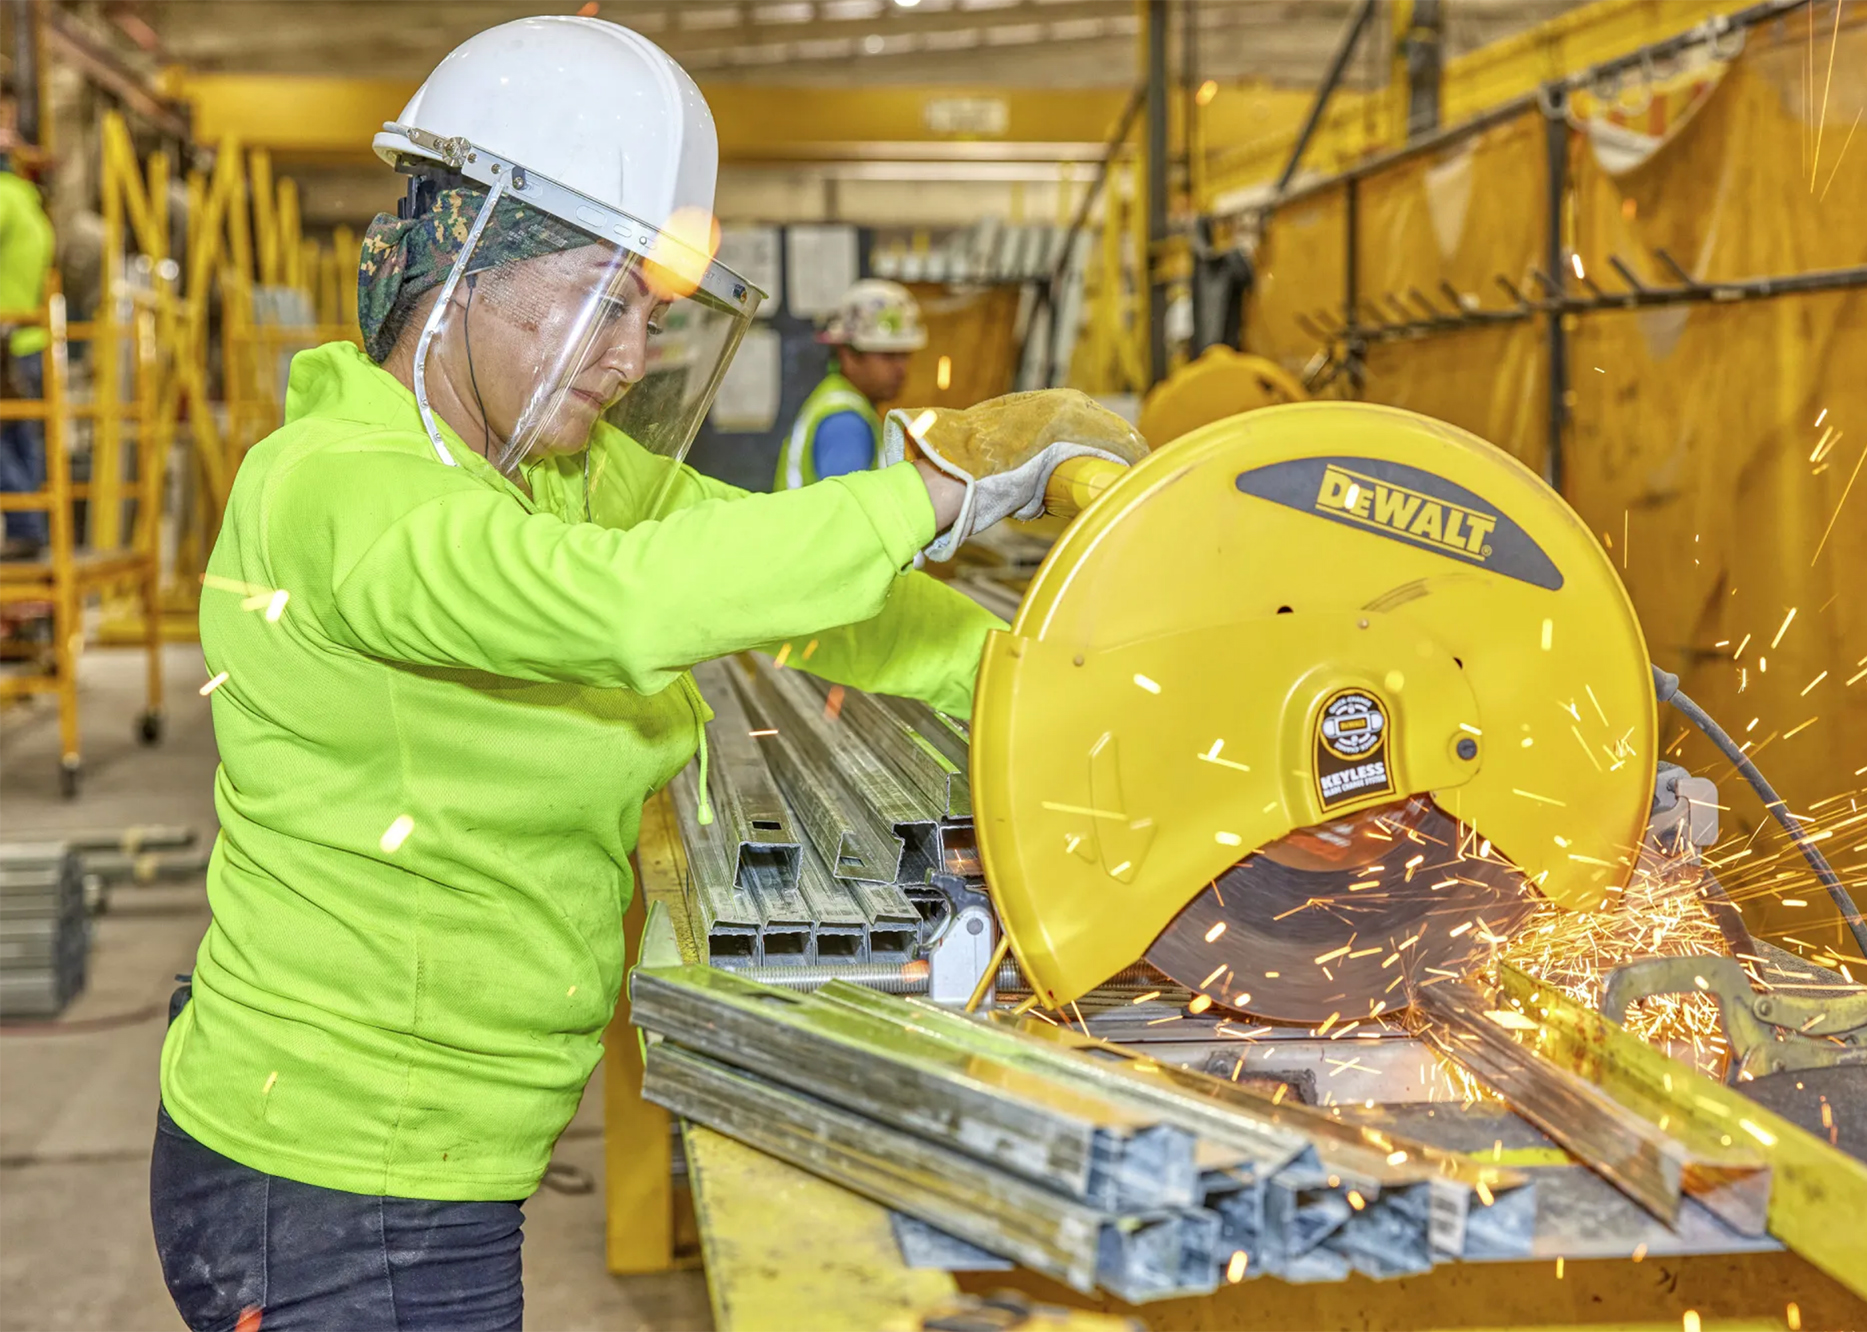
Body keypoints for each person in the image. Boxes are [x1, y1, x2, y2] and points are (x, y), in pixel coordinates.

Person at [148, 17, 1144, 1332]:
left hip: (434, 1158)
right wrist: (932, 492)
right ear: (465, 260)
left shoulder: (551, 467)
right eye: (602, 301)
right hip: (332, 1177)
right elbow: (617, 603)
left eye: (654, 318)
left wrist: (1038, 677)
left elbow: (769, 579)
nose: (629, 361)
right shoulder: (336, 487)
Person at [773, 278, 926, 489]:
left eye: (905, 355)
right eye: (888, 355)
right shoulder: (845, 423)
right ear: (848, 355)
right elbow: (846, 506)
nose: (901, 369)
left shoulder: (838, 402)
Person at [0, 114, 54, 557]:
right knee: (22, 439)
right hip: (28, 340)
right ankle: (33, 527)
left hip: (6, 341)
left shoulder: (3, 198)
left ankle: (25, 526)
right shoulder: (27, 201)